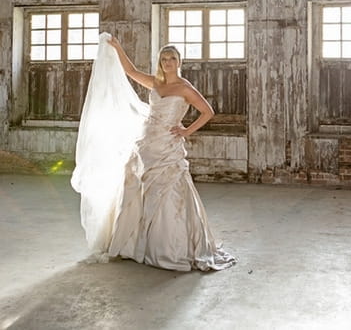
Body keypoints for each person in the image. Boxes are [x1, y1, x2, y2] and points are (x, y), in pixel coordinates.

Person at [71, 32, 236, 272]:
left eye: (172, 58)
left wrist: (186, 131)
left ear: (179, 61)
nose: (168, 62)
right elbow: (131, 72)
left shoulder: (185, 88)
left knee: (169, 191)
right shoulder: (156, 83)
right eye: (164, 58)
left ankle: (169, 247)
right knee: (136, 186)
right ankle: (136, 245)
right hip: (147, 142)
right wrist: (117, 46)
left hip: (168, 147)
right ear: (161, 62)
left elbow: (208, 111)